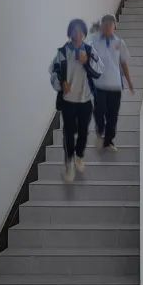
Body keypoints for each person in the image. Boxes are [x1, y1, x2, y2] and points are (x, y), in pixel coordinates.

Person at [49, 19, 103, 182]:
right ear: (70, 33)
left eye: (80, 31)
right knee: (68, 133)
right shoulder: (62, 52)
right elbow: (53, 71)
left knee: (83, 132)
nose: (77, 34)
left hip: (85, 100)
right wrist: (61, 83)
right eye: (74, 30)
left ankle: (79, 156)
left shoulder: (89, 50)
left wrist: (87, 63)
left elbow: (100, 70)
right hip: (68, 101)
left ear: (84, 33)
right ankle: (69, 163)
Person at [91, 14, 134, 152]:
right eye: (105, 24)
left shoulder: (119, 43)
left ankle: (108, 141)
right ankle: (100, 131)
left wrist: (129, 82)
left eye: (111, 25)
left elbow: (124, 63)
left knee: (112, 115)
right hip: (99, 85)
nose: (108, 27)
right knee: (99, 111)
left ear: (115, 26)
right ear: (102, 26)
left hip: (115, 85)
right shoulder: (94, 41)